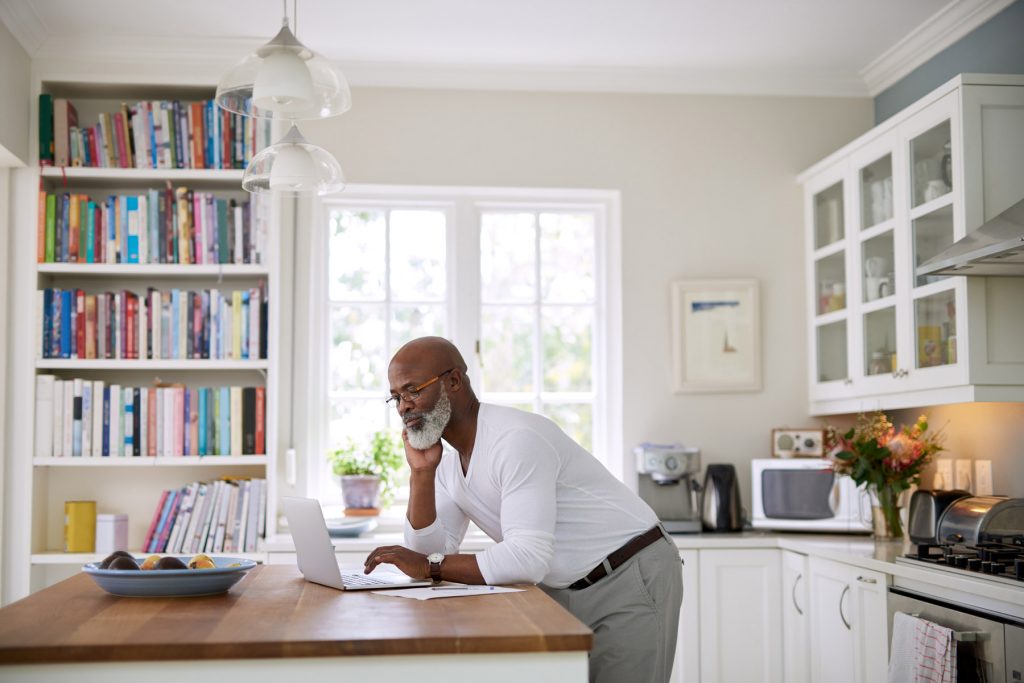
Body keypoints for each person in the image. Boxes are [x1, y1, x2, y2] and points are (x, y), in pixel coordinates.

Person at [364, 336, 683, 683]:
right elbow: (427, 556)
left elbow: (525, 557)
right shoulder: (446, 456)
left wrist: (427, 565)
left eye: (412, 391)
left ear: (453, 381)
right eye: (396, 397)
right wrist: (421, 474)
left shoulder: (515, 439)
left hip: (627, 572)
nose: (403, 407)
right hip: (561, 586)